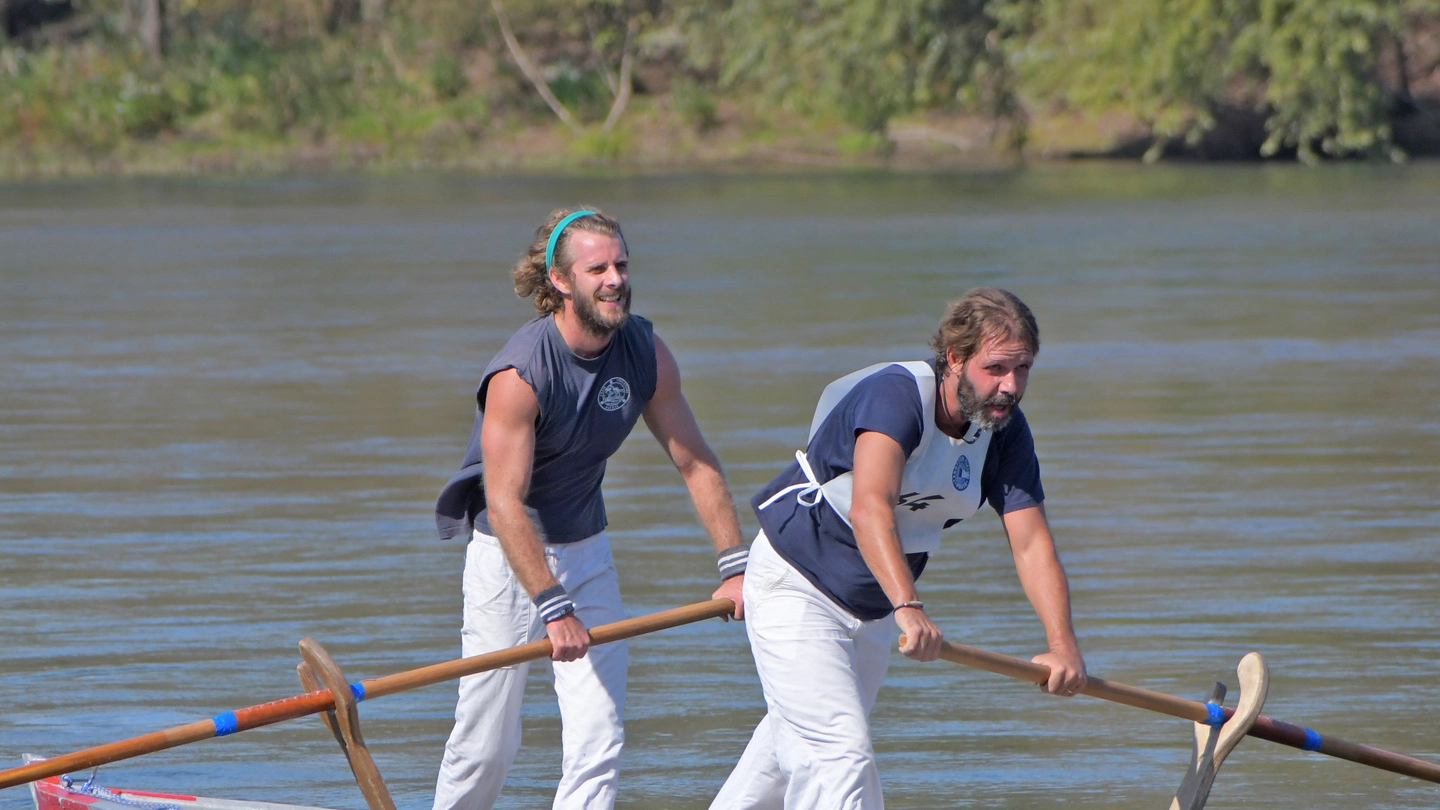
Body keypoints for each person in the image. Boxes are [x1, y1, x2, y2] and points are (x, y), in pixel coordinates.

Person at [709, 287, 1087, 810]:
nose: (1010, 386)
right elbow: (871, 508)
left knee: (783, 759)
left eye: (1023, 369)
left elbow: (1032, 545)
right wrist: (910, 608)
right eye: (996, 368)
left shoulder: (1005, 432)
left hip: (872, 608)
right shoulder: (898, 396)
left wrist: (1062, 644)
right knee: (842, 760)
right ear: (955, 357)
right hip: (796, 587)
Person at [431, 207, 748, 810]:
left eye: (621, 264)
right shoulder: (521, 374)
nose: (614, 279)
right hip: (509, 562)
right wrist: (553, 607)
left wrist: (735, 566)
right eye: (597, 267)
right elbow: (503, 502)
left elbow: (696, 463)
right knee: (486, 740)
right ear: (559, 280)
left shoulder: (646, 352)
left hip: (588, 552)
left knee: (599, 735)